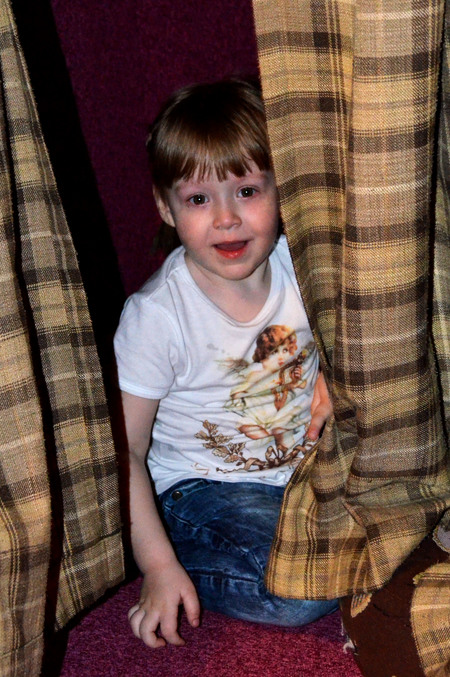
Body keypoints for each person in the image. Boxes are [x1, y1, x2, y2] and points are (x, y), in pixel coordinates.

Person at [114, 78, 338, 649]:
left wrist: (332, 378)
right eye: (198, 200)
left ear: (281, 190)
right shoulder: (156, 316)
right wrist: (158, 566)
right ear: (165, 207)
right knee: (301, 593)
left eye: (246, 191)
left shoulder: (302, 266)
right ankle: (181, 560)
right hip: (200, 492)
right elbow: (126, 452)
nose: (226, 219)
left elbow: (352, 335)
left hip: (301, 474)